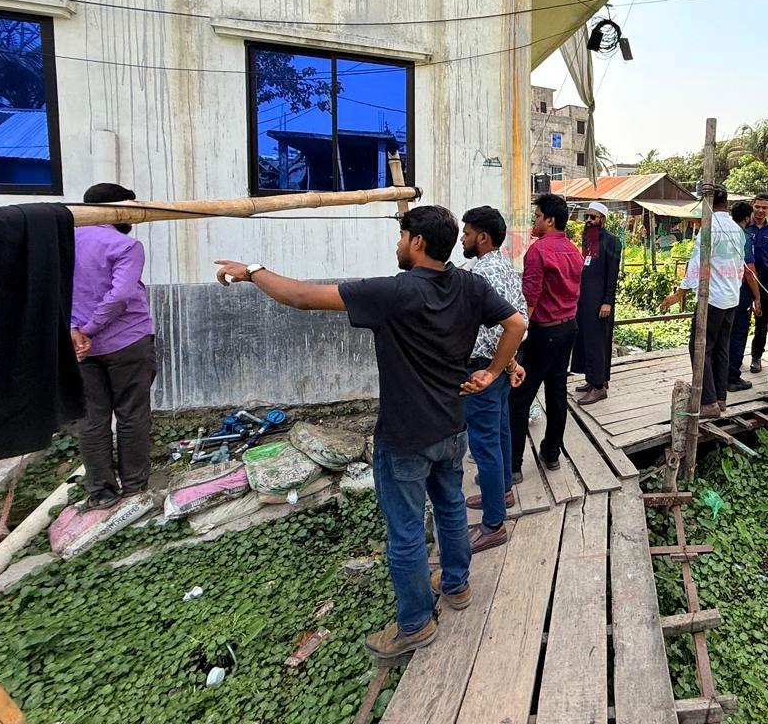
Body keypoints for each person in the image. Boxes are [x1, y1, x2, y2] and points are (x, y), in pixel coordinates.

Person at [214, 205, 526, 662]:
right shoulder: (470, 284)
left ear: (417, 242)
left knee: (405, 532)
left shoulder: (394, 292)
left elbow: (301, 297)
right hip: (451, 424)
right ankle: (456, 586)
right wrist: (493, 372)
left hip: (404, 436)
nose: (397, 244)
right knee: (451, 507)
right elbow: (516, 324)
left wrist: (252, 271)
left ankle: (415, 624)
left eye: (401, 236)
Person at [70, 183, 157, 510]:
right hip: (127, 341)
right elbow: (120, 295)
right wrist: (89, 329)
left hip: (79, 347)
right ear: (115, 210)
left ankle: (102, 493)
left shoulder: (63, 243)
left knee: (91, 419)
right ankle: (134, 488)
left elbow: (54, 291)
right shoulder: (125, 246)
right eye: (129, 208)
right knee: (132, 415)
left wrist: (74, 330)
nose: (133, 216)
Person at [459, 206, 527, 554]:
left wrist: (495, 368)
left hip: (484, 368)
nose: (463, 239)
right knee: (499, 432)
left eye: (467, 233)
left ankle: (494, 524)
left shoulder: (480, 275)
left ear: (482, 237)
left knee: (484, 444)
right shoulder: (505, 267)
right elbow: (520, 317)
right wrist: (509, 364)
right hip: (500, 364)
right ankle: (500, 492)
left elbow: (501, 327)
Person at [509, 193, 582, 474]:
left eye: (538, 216)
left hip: (544, 331)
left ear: (550, 220)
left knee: (519, 396)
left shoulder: (538, 251)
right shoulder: (574, 251)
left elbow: (530, 298)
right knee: (557, 393)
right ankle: (551, 454)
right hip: (568, 328)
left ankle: (513, 466)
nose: (534, 220)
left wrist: (517, 338)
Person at [660, 186, 748, 418]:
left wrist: (679, 293)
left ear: (707, 202)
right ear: (726, 203)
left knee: (700, 347)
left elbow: (696, 264)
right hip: (731, 296)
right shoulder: (737, 229)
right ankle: (720, 398)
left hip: (713, 298)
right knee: (721, 348)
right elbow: (740, 266)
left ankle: (708, 402)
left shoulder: (709, 228)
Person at [571, 202, 621, 405]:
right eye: (587, 217)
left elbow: (612, 274)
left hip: (600, 301)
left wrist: (607, 301)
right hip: (585, 300)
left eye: (593, 217)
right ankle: (592, 380)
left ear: (603, 219)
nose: (589, 221)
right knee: (586, 340)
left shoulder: (612, 241)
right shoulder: (588, 240)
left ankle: (599, 387)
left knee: (598, 343)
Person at [726, 200, 762, 392]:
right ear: (747, 218)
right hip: (740, 292)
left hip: (722, 291)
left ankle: (719, 375)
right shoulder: (743, 237)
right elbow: (749, 271)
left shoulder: (722, 232)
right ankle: (732, 377)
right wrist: (757, 296)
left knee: (724, 334)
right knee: (738, 334)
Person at [745, 193, 768, 374]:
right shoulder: (743, 227)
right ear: (752, 206)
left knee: (762, 321)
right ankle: (734, 358)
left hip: (766, 281)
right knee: (740, 320)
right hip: (743, 280)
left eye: (764, 207)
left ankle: (756, 357)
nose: (760, 210)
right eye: (757, 206)